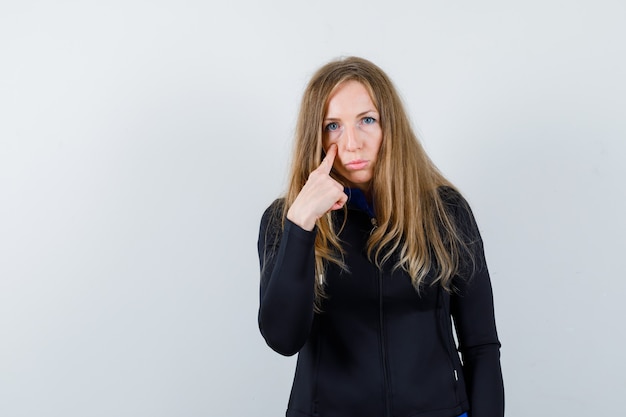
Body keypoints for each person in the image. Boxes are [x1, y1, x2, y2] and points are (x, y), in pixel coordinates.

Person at [257, 56, 504, 417]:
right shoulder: (287, 220)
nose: (352, 143)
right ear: (316, 135)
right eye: (333, 126)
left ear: (391, 126)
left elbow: (481, 344)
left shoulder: (446, 212)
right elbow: (282, 339)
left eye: (367, 120)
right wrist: (302, 223)